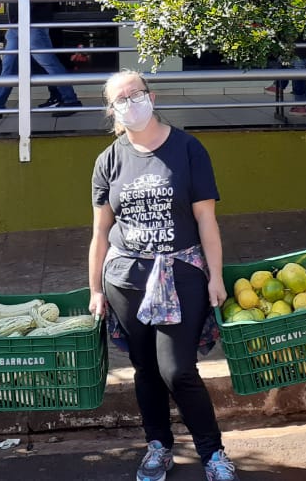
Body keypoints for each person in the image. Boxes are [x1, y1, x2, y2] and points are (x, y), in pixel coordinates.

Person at [88, 70, 237, 481]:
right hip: (125, 278)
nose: (130, 103)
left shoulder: (188, 149)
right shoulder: (109, 160)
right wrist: (95, 288)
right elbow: (100, 231)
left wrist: (216, 275)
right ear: (112, 110)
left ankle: (212, 453)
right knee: (146, 369)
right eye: (120, 100)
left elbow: (206, 219)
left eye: (136, 94)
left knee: (178, 370)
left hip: (181, 273)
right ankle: (158, 446)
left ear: (151, 97)